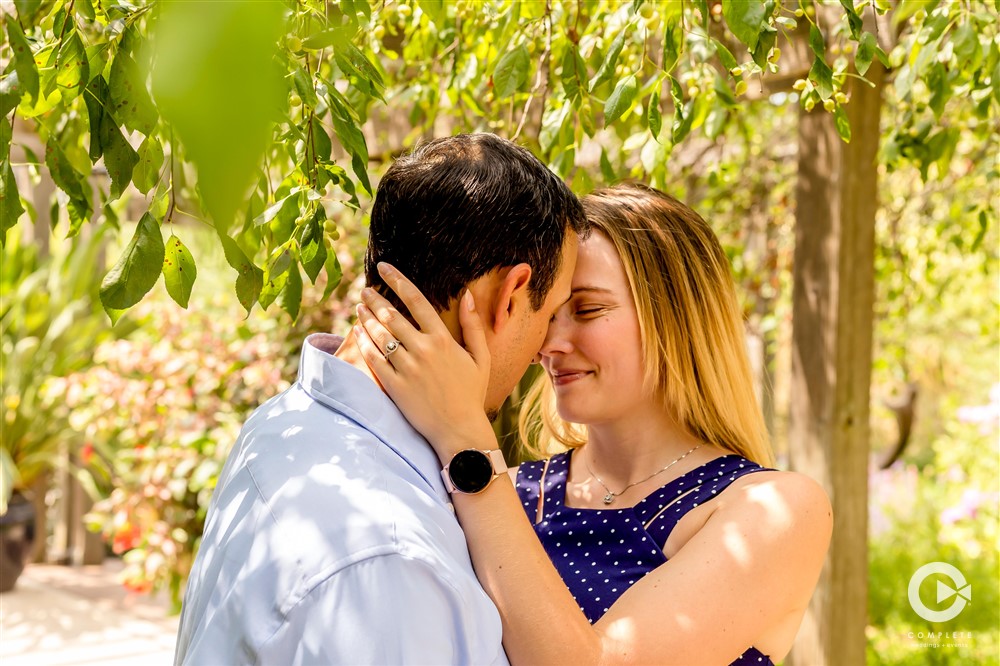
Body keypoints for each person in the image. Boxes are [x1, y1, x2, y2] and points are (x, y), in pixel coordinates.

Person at [354, 183, 833, 665]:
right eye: (547, 313)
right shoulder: (508, 490)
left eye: (587, 309)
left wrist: (466, 441)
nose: (549, 343)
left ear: (676, 317)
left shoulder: (774, 510)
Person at [174, 133, 589, 665]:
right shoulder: (392, 556)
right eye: (551, 312)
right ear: (510, 295)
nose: (545, 350)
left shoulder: (283, 423)